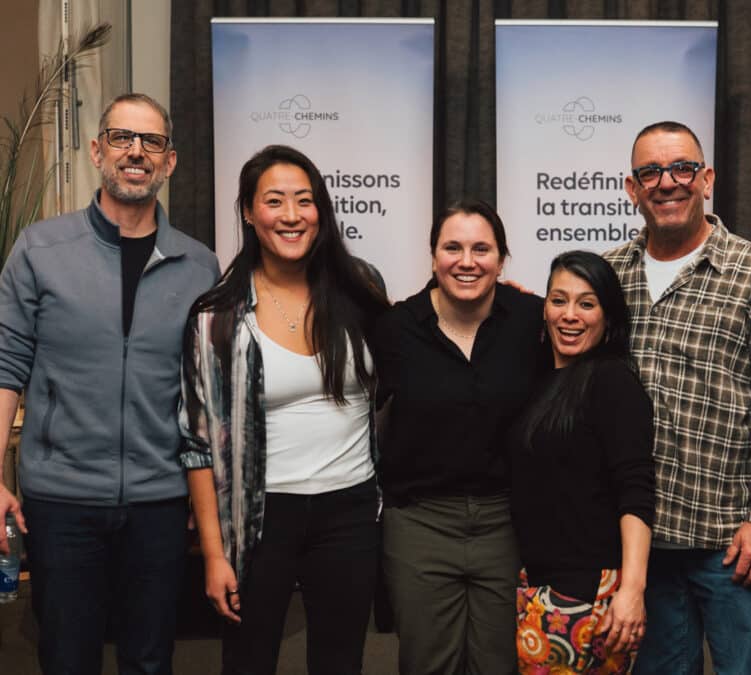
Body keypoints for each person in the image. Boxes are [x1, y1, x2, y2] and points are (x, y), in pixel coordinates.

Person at [0, 93, 218, 674]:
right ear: (98, 150)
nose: (136, 152)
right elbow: (6, 366)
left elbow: (206, 395)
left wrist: (207, 496)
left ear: (169, 162)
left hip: (159, 500)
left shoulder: (200, 266)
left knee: (150, 658)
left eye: (151, 142)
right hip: (62, 498)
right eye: (122, 138)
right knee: (67, 658)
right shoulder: (40, 250)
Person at [603, 120, 751, 674]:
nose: (666, 182)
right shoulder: (609, 275)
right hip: (641, 540)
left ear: (707, 178)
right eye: (650, 172)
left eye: (681, 168)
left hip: (730, 540)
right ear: (632, 187)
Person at [179, 145, 388, 674]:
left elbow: (416, 345)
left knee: (341, 662)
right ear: (249, 212)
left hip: (351, 509)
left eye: (305, 200)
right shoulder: (218, 317)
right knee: (249, 661)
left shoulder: (360, 291)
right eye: (275, 201)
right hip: (260, 518)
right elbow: (197, 443)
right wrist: (213, 554)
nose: (292, 215)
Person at [374, 199, 547, 675]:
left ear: (502, 258)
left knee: (503, 662)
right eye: (453, 247)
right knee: (428, 662)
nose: (467, 262)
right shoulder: (394, 329)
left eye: (481, 249)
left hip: (506, 521)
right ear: (432, 256)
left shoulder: (535, 321)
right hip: (420, 523)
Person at [511, 250, 655, 674]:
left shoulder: (612, 381)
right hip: (540, 586)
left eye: (586, 303)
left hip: (588, 593)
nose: (569, 315)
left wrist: (631, 590)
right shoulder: (543, 381)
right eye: (558, 300)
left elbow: (636, 490)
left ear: (608, 317)